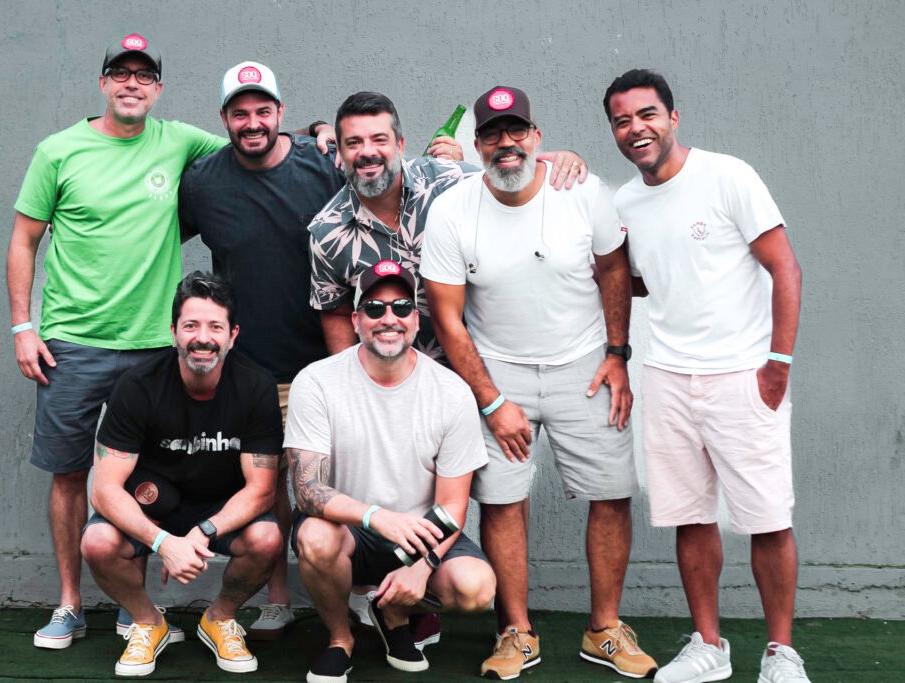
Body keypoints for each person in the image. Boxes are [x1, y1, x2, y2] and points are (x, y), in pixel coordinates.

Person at [8, 39, 334, 647]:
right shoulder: (59, 151)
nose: (132, 84)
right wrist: (23, 327)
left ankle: (163, 608)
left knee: (173, 470)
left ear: (158, 89)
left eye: (145, 76)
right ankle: (72, 605)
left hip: (161, 343)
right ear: (103, 82)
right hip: (73, 340)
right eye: (120, 74)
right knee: (70, 473)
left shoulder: (185, 142)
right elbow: (24, 239)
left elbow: (274, 143)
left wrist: (323, 130)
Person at [421, 85, 657, 680]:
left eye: (516, 131)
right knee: (501, 500)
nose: (506, 143)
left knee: (610, 493)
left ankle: (604, 628)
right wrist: (492, 399)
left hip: (586, 366)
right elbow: (447, 315)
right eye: (493, 134)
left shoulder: (581, 192)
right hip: (498, 371)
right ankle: (515, 632)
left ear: (537, 137)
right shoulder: (452, 210)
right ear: (476, 146)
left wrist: (617, 354)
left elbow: (613, 269)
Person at [603, 69, 807, 683]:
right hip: (665, 378)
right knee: (690, 517)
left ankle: (780, 653)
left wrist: (778, 365)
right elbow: (641, 280)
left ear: (673, 116)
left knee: (767, 518)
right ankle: (709, 646)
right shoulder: (624, 202)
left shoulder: (728, 176)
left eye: (647, 115)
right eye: (621, 120)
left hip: (743, 375)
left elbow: (786, 269)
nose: (636, 129)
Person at [177, 60, 345, 639]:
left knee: (334, 480)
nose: (252, 122)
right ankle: (277, 598)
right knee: (269, 486)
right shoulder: (202, 181)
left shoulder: (322, 163)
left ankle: (363, 591)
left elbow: (392, 177)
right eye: (240, 112)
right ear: (224, 118)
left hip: (329, 357)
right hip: (253, 364)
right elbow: (148, 238)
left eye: (263, 110)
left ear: (281, 114)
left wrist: (546, 163)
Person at [285, 261, 496, 682]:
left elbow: (452, 504)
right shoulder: (317, 381)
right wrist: (376, 516)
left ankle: (393, 611)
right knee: (314, 534)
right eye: (375, 308)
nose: (389, 319)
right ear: (356, 319)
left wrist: (423, 567)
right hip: (351, 531)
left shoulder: (450, 391)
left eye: (401, 308)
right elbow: (307, 491)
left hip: (422, 535)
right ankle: (340, 639)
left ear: (416, 320)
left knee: (477, 588)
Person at [80, 271, 284, 677]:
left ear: (233, 334)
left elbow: (262, 491)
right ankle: (147, 622)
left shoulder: (256, 386)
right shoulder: (137, 386)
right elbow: (104, 490)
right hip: (156, 508)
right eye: (191, 325)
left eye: (214, 326)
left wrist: (201, 532)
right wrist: (162, 542)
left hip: (220, 510)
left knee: (268, 537)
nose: (202, 337)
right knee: (97, 541)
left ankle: (220, 618)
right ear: (173, 331)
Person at [308, 91, 589, 362]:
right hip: (388, 381)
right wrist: (351, 383)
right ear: (340, 152)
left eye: (379, 139)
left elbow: (510, 174)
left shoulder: (450, 182)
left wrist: (562, 160)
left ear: (401, 145)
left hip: (480, 368)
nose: (367, 152)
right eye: (354, 142)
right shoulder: (327, 232)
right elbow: (336, 313)